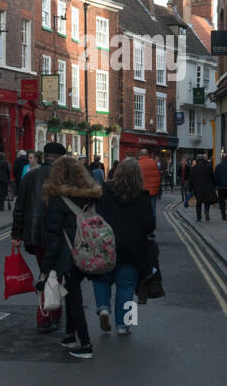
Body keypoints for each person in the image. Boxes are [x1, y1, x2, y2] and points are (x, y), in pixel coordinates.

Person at [42, 156, 103, 359]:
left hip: (70, 256)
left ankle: (85, 344)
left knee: (73, 296)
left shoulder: (57, 202)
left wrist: (45, 270)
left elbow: (53, 239)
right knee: (70, 291)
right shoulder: (91, 196)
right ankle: (69, 335)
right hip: (91, 251)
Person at [95, 158, 156, 336]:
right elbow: (149, 225)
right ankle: (124, 325)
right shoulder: (142, 195)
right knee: (127, 287)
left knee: (102, 279)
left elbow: (96, 215)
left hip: (106, 243)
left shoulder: (104, 190)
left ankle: (103, 308)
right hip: (133, 248)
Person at [13, 141, 66, 332]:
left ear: (44, 157)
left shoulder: (30, 177)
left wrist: (16, 234)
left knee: (49, 272)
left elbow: (19, 208)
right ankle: (45, 317)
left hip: (35, 234)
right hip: (58, 234)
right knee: (51, 274)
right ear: (61, 159)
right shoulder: (65, 178)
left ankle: (55, 311)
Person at [191, 153, 218, 222]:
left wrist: (190, 188)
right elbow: (212, 177)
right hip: (207, 187)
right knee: (207, 201)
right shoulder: (209, 166)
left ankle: (199, 217)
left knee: (199, 203)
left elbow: (191, 179)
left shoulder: (194, 168)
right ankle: (206, 210)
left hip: (198, 188)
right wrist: (214, 185)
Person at [137, 148, 162, 218]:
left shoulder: (138, 164)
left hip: (142, 192)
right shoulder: (154, 163)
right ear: (148, 154)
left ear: (140, 155)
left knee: (142, 210)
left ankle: (144, 225)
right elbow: (158, 177)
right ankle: (153, 225)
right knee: (153, 209)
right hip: (153, 192)